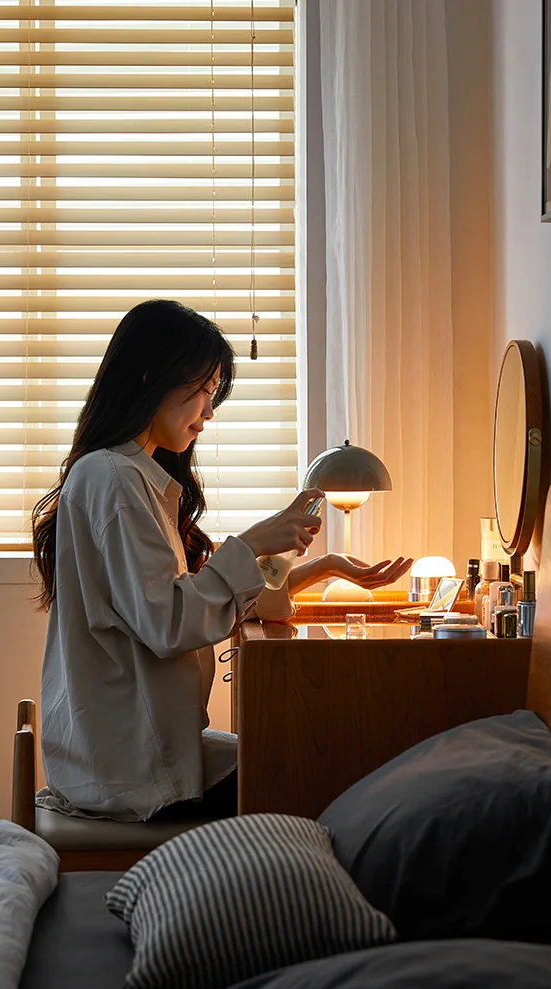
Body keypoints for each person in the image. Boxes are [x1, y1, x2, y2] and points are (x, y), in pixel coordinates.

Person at [32, 300, 411, 822]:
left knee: (308, 762)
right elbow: (169, 622)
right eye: (205, 392)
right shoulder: (114, 479)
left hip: (132, 750)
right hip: (131, 767)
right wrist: (253, 543)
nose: (209, 413)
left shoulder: (129, 476)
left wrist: (321, 568)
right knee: (322, 769)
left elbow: (199, 600)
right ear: (149, 377)